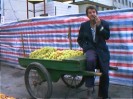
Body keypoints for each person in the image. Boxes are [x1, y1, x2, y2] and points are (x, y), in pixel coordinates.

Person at [77, 6, 110, 99]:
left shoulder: (104, 23)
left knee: (105, 71)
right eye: (90, 12)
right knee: (90, 60)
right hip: (90, 49)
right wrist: (86, 47)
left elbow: (107, 36)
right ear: (87, 15)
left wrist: (99, 26)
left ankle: (103, 95)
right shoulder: (84, 25)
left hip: (102, 50)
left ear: (97, 13)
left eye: (94, 12)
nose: (92, 14)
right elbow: (80, 40)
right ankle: (89, 89)